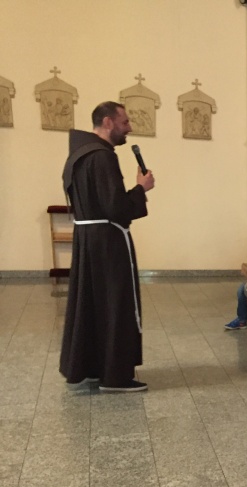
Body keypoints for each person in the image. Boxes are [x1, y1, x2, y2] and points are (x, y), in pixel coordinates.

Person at [60, 101, 156, 392]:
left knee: (92, 305)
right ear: (107, 122)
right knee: (116, 305)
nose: (129, 128)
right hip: (107, 242)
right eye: (125, 122)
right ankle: (116, 376)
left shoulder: (79, 153)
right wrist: (141, 188)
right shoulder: (102, 157)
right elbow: (115, 207)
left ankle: (90, 367)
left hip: (88, 239)